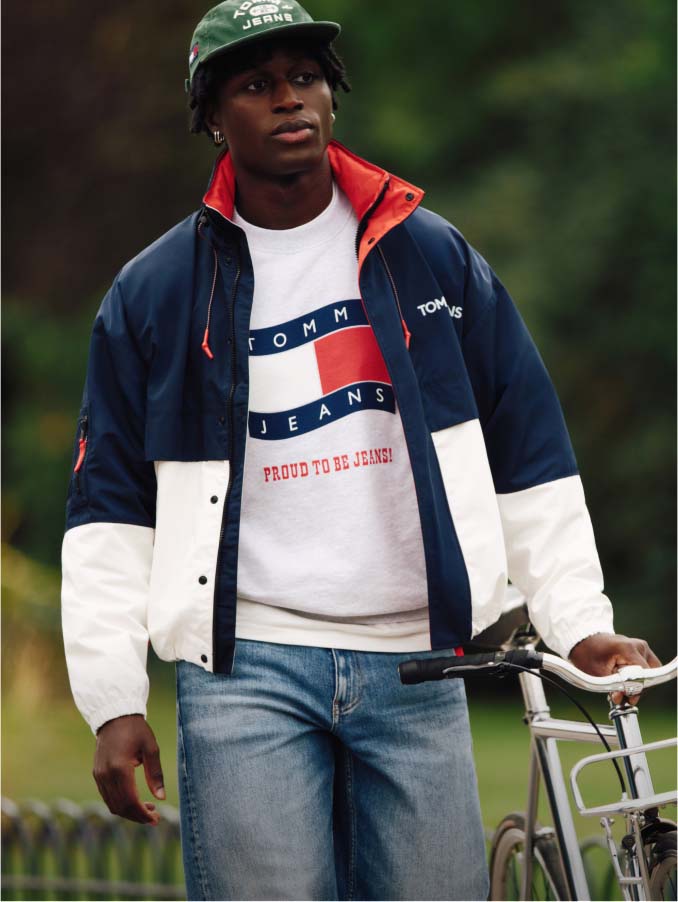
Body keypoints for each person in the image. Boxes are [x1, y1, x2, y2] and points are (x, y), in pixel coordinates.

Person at [60, 2, 661, 899]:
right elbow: (109, 504)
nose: (289, 100)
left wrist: (579, 624)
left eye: (305, 78)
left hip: (419, 662)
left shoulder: (429, 255)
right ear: (213, 117)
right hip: (244, 669)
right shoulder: (155, 293)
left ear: (332, 98)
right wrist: (112, 699)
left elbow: (531, 455)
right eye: (257, 85)